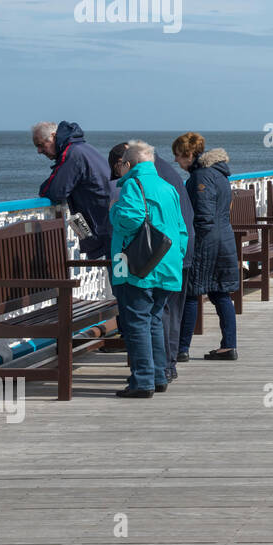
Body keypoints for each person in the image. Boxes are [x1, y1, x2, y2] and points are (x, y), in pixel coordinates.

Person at [109, 141, 188, 397]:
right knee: (154, 319)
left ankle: (142, 381)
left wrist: (113, 212)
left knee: (137, 321)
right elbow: (181, 229)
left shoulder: (133, 184)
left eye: (121, 165)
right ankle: (158, 375)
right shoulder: (168, 186)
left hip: (140, 267)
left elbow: (130, 218)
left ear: (128, 164)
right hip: (168, 263)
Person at [171, 133, 240, 360]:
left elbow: (203, 215)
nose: (176, 161)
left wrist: (191, 241)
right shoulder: (219, 174)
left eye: (178, 156)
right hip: (224, 238)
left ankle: (181, 348)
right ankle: (228, 345)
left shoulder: (201, 177)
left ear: (189, 155)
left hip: (207, 242)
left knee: (191, 294)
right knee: (220, 293)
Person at [32, 121, 114, 259]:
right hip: (110, 223)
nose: (39, 151)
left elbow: (56, 191)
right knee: (122, 274)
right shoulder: (83, 147)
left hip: (106, 227)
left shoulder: (72, 154)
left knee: (120, 276)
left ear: (53, 136)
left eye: (40, 145)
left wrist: (43, 189)